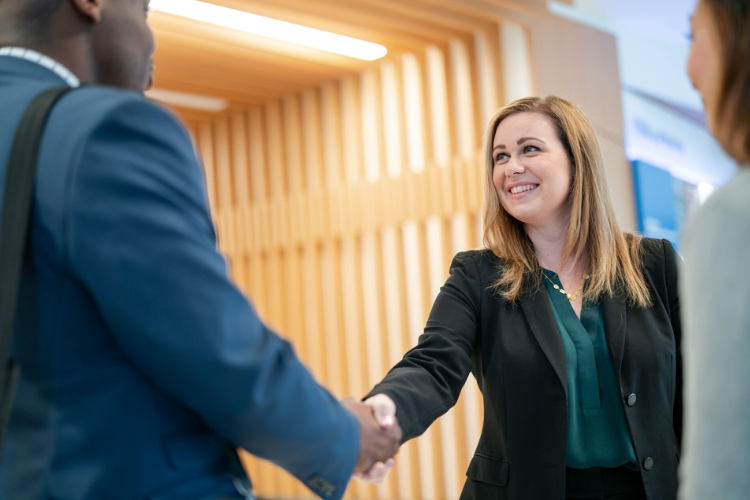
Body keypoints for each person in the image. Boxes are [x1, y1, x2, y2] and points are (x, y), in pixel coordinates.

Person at [0, 0, 400, 499]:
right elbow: (216, 347)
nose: (150, 42)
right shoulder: (104, 129)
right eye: (144, 13)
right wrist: (344, 434)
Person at [358, 96, 683, 499]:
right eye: (500, 156)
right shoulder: (478, 275)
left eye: (530, 148)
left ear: (576, 160)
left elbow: (703, 389)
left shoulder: (655, 264)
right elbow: (434, 362)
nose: (511, 168)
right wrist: (380, 415)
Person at [680, 1, 750, 498]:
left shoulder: (731, 218)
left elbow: (723, 470)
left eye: (695, 37)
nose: (690, 70)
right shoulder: (476, 273)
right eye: (501, 155)